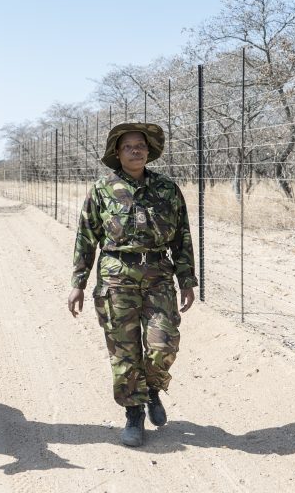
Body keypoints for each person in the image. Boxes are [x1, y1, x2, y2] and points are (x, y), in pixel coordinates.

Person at [67, 122, 197, 447]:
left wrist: (187, 280)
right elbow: (86, 237)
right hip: (116, 277)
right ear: (117, 152)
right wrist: (78, 283)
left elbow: (182, 236)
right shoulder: (101, 190)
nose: (136, 150)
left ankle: (152, 389)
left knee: (163, 345)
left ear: (149, 151)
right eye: (128, 146)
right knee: (124, 351)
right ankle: (134, 414)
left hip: (158, 277)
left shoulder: (167, 189)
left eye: (141, 145)